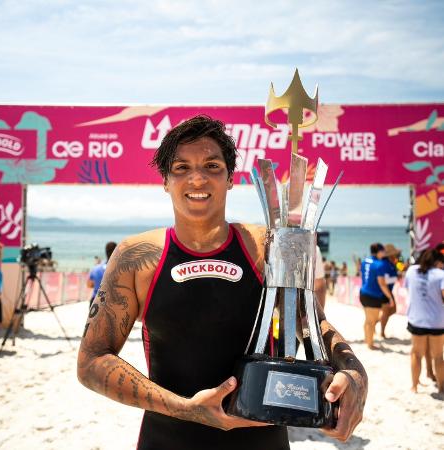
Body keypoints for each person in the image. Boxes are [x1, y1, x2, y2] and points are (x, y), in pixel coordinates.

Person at [77, 116, 368, 449]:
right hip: (167, 439)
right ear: (165, 181)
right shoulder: (136, 256)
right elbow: (92, 361)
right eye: (181, 168)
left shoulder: (267, 246)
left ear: (230, 178)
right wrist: (185, 408)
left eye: (212, 166)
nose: (197, 178)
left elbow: (312, 324)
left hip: (262, 441)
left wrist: (355, 371)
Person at [404, 248, 444, 394]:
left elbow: (409, 290)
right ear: (438, 262)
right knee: (439, 356)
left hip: (417, 320)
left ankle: (414, 386)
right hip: (437, 322)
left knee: (416, 354)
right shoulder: (441, 275)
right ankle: (441, 388)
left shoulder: (411, 271)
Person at [359, 243, 395, 349]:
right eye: (383, 251)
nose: (384, 253)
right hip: (373, 295)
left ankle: (367, 340)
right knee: (372, 321)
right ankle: (370, 344)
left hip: (363, 292)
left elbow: (363, 276)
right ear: (379, 252)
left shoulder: (365, 261)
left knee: (368, 319)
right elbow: (382, 284)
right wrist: (390, 297)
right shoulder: (379, 264)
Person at [379, 244, 401, 338]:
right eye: (395, 254)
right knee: (386, 312)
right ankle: (382, 332)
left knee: (393, 310)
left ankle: (377, 321)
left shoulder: (391, 263)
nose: (397, 256)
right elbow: (384, 281)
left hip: (388, 290)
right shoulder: (385, 264)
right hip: (384, 291)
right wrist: (396, 278)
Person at [87, 241, 117, 306]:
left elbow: (89, 285)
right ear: (116, 252)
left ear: (106, 251)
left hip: (96, 301)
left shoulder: (96, 268)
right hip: (112, 303)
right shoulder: (120, 270)